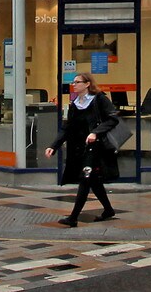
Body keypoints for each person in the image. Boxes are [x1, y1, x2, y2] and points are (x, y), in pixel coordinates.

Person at [44, 72, 121, 226]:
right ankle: (108, 210)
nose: (74, 85)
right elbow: (67, 128)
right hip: (79, 148)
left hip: (96, 147)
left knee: (85, 179)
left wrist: (95, 133)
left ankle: (73, 218)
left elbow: (113, 118)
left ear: (87, 84)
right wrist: (53, 146)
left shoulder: (99, 99)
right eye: (73, 82)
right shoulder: (75, 105)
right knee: (93, 180)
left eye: (78, 82)